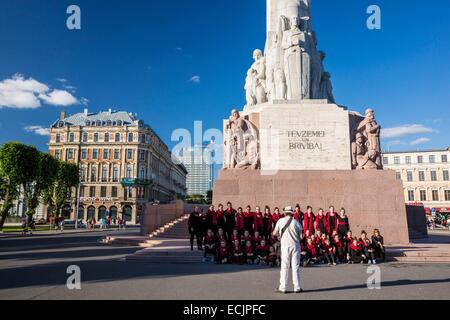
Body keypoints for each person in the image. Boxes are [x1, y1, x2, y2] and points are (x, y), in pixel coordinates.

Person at [272, 206, 303, 294]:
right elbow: (301, 236)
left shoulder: (280, 221)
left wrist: (280, 234)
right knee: (295, 267)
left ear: (285, 213)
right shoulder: (296, 222)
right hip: (295, 245)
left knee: (284, 266)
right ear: (292, 213)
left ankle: (283, 287)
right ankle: (297, 287)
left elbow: (274, 233)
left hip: (285, 246)